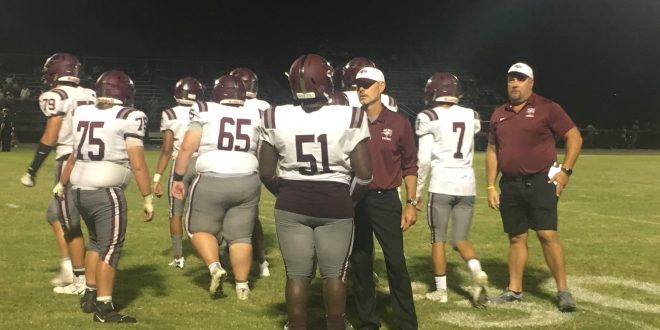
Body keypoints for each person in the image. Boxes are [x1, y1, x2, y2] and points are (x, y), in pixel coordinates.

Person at [258, 54, 372, 330]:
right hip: (335, 202)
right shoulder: (352, 115)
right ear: (326, 80)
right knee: (334, 276)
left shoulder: (274, 115)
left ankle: (296, 325)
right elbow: (365, 175)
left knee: (296, 275)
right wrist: (348, 200)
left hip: (291, 203)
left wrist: (287, 194)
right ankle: (336, 325)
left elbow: (266, 173)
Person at [54, 69, 154, 323]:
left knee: (96, 243)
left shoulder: (83, 111)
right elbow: (138, 162)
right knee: (111, 247)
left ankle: (89, 293)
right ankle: (104, 307)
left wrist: (62, 182)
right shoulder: (129, 116)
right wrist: (147, 196)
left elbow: (75, 152)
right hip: (106, 192)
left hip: (78, 189)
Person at [486, 62, 582, 312]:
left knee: (547, 235)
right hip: (510, 184)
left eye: (520, 79)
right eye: (511, 79)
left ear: (531, 82)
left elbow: (574, 136)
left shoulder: (548, 107)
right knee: (516, 238)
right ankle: (514, 290)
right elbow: (493, 151)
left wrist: (566, 171)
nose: (515, 84)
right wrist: (489, 185)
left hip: (541, 182)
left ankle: (563, 291)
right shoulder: (499, 113)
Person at [172, 75, 261, 301]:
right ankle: (242, 286)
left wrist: (178, 177)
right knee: (241, 236)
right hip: (248, 177)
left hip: (212, 176)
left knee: (199, 229)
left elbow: (187, 147)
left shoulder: (205, 109)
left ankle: (215, 268)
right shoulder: (256, 112)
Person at [19, 53, 96, 293]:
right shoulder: (89, 93)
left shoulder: (56, 96)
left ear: (53, 73)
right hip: (91, 159)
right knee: (55, 214)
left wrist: (32, 169)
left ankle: (78, 275)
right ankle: (70, 267)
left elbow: (51, 136)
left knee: (67, 220)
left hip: (68, 161)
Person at [349, 66, 418, 330]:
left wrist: (411, 203)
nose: (361, 89)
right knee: (361, 262)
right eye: (358, 85)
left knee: (396, 263)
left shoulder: (399, 123)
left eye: (367, 84)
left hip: (386, 200)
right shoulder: (352, 120)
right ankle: (367, 322)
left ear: (382, 86)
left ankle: (407, 323)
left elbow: (410, 165)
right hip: (356, 200)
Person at [415, 72, 489, 307]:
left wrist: (416, 191)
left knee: (438, 239)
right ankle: (476, 269)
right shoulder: (471, 115)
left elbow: (424, 159)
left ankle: (441, 291)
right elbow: (473, 128)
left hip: (442, 183)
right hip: (467, 185)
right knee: (460, 239)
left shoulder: (428, 116)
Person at [152, 77, 204, 269]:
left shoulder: (170, 113)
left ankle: (178, 256)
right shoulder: (206, 109)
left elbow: (166, 149)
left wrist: (157, 177)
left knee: (176, 212)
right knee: (206, 210)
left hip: (180, 164)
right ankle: (214, 250)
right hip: (203, 163)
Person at [229, 67, 271, 277]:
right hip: (254, 165)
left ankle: (226, 258)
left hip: (226, 165)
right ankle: (261, 260)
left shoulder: (224, 106)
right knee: (251, 215)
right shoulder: (263, 107)